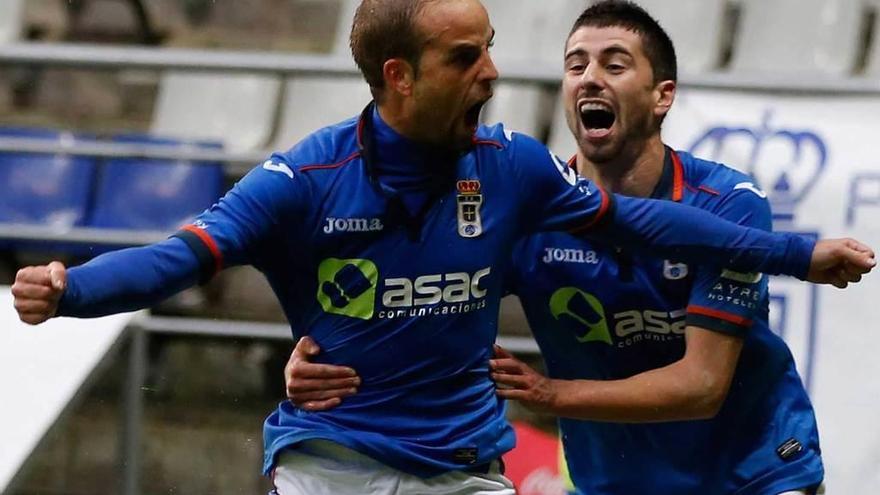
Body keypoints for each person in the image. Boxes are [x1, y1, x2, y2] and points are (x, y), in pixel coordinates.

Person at [13, 1, 873, 494]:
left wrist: (794, 253)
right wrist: (73, 286)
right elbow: (186, 254)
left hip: (538, 468)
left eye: (494, 48)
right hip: (341, 462)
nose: (496, 73)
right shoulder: (306, 179)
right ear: (401, 77)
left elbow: (650, 247)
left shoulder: (526, 174)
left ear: (664, 95)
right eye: (468, 56)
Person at [282, 2, 873, 494]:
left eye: (615, 65)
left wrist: (550, 394)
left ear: (662, 95)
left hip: (755, 471)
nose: (590, 77)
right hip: (610, 481)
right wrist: (323, 351)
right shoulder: (522, 209)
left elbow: (701, 386)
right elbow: (411, 295)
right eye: (575, 65)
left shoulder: (726, 204)